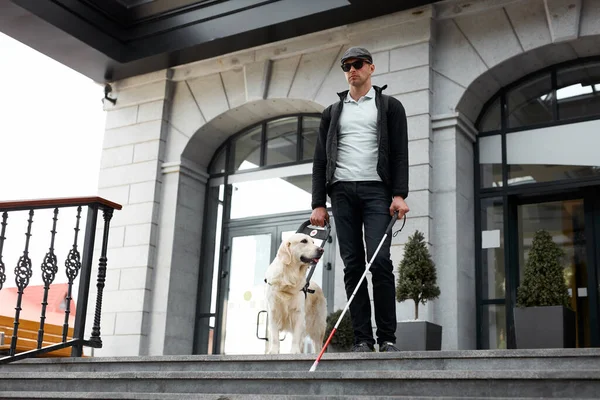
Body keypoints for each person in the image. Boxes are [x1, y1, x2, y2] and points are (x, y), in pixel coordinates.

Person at [310, 46, 409, 352]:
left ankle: (387, 338)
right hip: (341, 192)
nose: (352, 69)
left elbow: (400, 154)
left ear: (371, 68)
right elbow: (320, 160)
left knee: (379, 262)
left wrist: (399, 194)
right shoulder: (332, 112)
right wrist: (318, 203)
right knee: (353, 266)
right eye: (346, 65)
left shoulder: (389, 106)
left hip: (376, 192)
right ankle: (362, 339)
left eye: (358, 64)